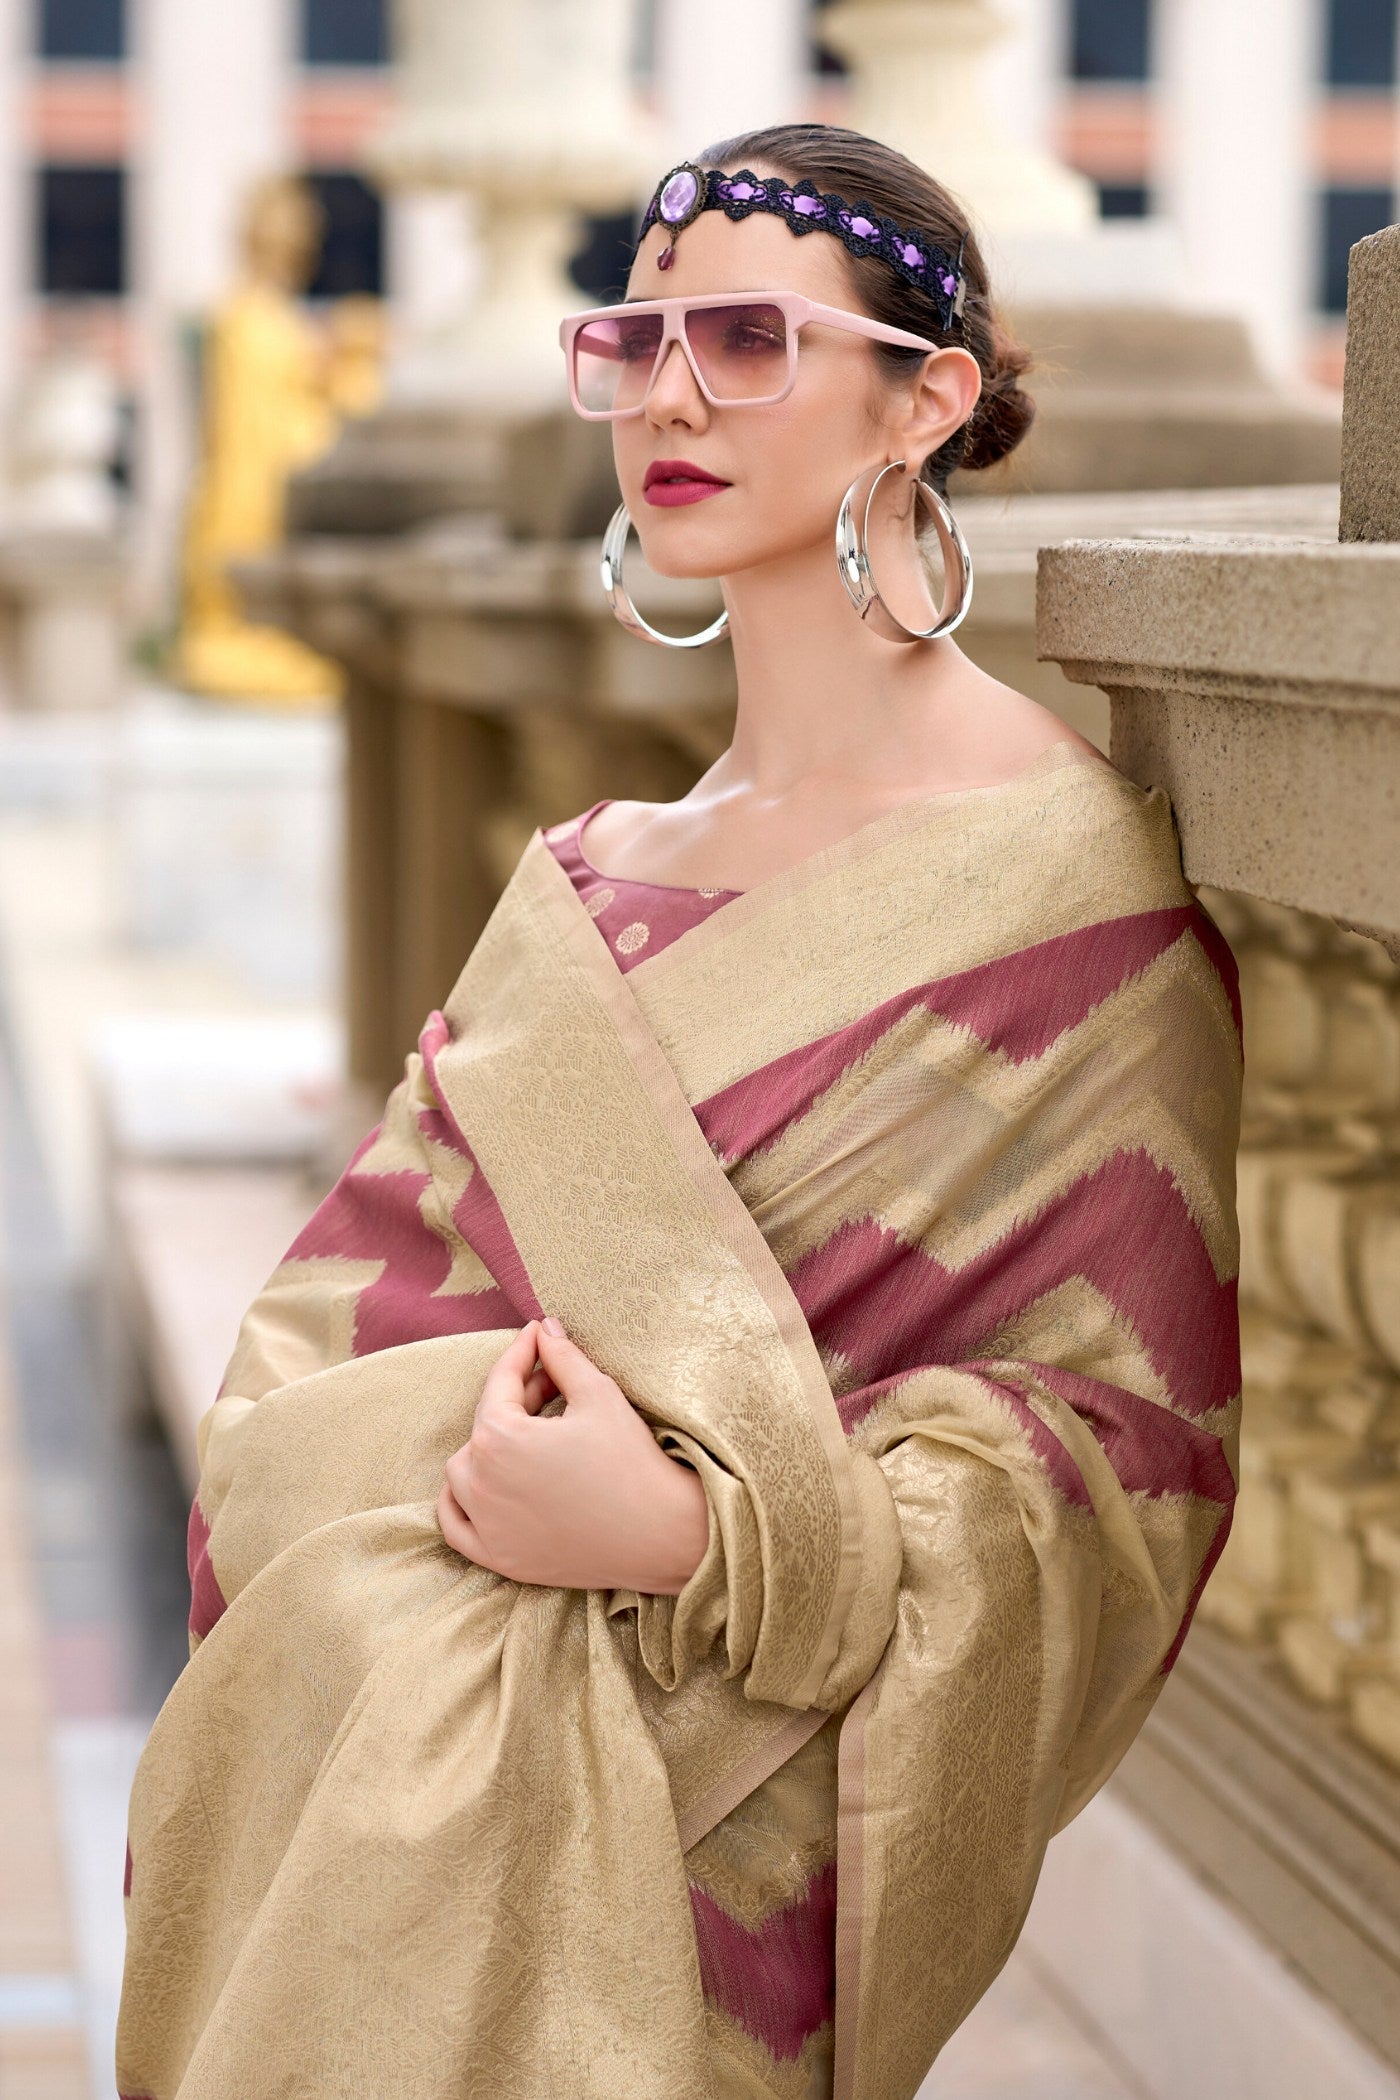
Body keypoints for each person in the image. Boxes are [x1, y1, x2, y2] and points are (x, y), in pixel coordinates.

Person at [116, 125, 1243, 2100]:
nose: (665, 397)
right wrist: (465, 1485)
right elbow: (330, 1328)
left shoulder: (1073, 898)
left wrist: (703, 1545)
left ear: (929, 399)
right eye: (630, 346)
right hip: (393, 1749)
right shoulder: (591, 871)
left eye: (743, 341)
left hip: (740, 1829)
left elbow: (1113, 1461)